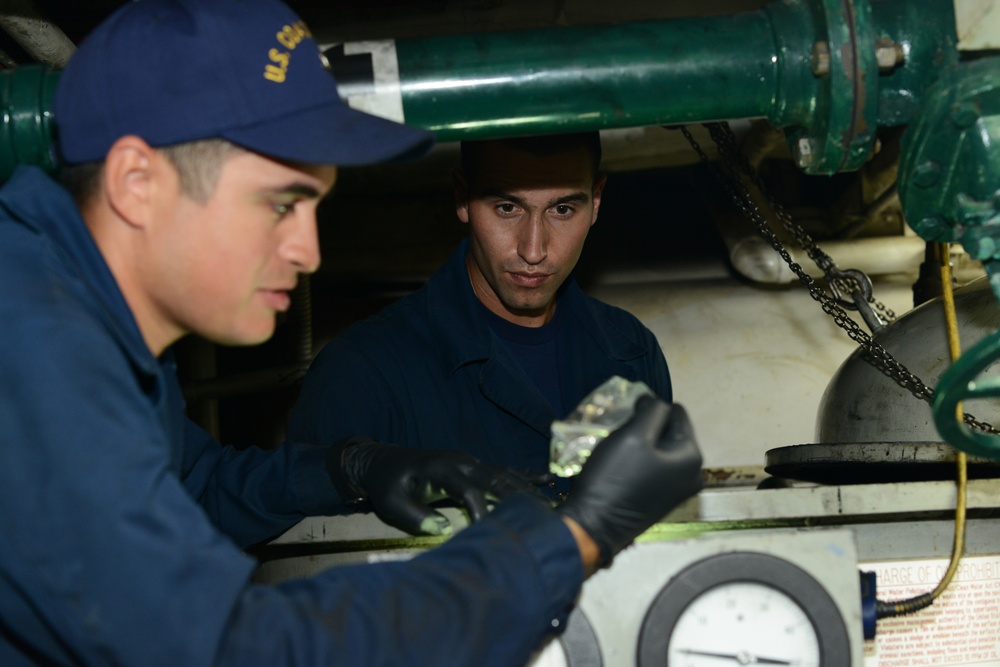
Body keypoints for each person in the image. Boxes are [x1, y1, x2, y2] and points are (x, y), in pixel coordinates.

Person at [0, 1, 703, 666]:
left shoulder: (78, 327)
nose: (309, 251)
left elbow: (200, 485)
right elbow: (239, 650)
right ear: (136, 183)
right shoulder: (31, 349)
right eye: (282, 203)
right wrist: (569, 538)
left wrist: (349, 466)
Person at [289, 132, 672, 495]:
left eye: (562, 209)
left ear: (597, 202)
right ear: (462, 198)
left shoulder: (633, 352)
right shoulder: (362, 373)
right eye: (507, 208)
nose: (534, 250)